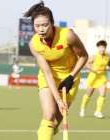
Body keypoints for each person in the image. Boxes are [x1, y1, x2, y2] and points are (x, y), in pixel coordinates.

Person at [24, 1, 88, 140]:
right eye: (37, 26)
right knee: (48, 116)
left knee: (53, 124)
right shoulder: (34, 44)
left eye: (45, 25)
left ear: (52, 23)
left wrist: (71, 77)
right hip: (48, 77)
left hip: (70, 78)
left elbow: (84, 56)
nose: (41, 29)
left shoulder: (67, 35)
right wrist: (58, 100)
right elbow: (46, 72)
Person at [79, 40, 110, 118]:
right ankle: (82, 109)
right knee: (88, 95)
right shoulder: (94, 56)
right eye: (101, 47)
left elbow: (109, 63)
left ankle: (98, 112)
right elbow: (87, 64)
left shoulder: (107, 56)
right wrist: (93, 70)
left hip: (102, 77)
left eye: (104, 47)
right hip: (93, 77)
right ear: (98, 48)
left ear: (105, 48)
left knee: (103, 94)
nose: (102, 49)